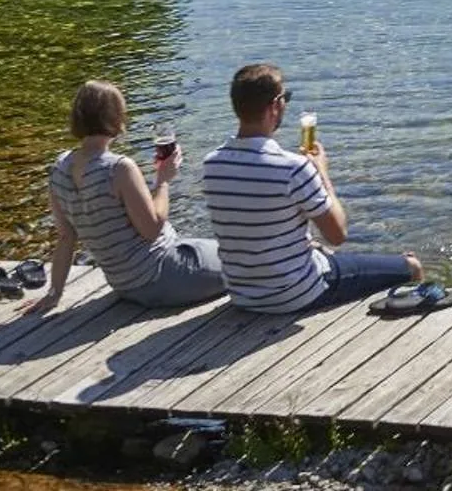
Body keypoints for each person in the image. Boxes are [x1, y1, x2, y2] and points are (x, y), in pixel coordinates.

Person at [201, 63, 421, 313]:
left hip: (243, 295)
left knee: (318, 246)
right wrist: (321, 172)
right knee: (411, 266)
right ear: (275, 106)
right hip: (296, 293)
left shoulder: (211, 164)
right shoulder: (293, 168)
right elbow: (338, 235)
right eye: (286, 98)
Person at [32, 80, 226, 314]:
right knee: (242, 260)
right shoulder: (119, 168)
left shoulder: (59, 169)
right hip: (162, 275)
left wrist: (54, 294)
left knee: (216, 247)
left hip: (125, 284)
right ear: (116, 118)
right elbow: (152, 229)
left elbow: (66, 237)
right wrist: (163, 180)